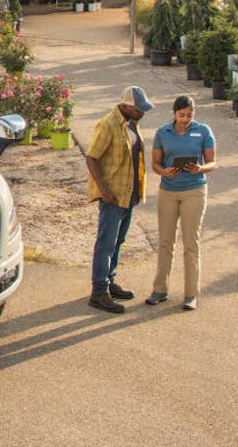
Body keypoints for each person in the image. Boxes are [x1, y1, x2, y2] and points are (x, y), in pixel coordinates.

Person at [85, 86, 154, 314]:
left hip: (128, 194)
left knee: (118, 241)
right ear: (125, 106)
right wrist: (104, 191)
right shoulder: (108, 124)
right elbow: (91, 157)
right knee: (106, 243)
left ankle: (109, 281)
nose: (142, 112)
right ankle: (99, 291)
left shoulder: (131, 123)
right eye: (138, 109)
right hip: (113, 196)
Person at [146, 95, 217, 311]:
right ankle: (160, 290)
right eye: (181, 115)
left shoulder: (203, 131)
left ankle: (190, 294)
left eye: (189, 115)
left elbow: (212, 162)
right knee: (165, 241)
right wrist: (164, 172)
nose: (185, 119)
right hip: (168, 192)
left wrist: (200, 168)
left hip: (194, 191)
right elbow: (155, 163)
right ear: (174, 113)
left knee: (191, 243)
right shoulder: (163, 133)